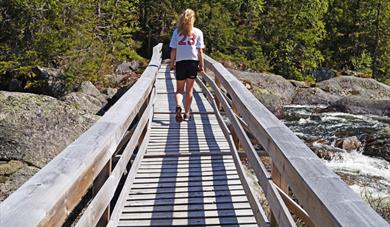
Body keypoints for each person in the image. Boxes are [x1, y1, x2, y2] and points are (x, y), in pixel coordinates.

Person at [169, 9, 205, 123]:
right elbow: (200, 52)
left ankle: (179, 105)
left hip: (180, 63)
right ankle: (187, 113)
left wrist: (171, 64)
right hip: (192, 63)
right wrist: (202, 66)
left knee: (179, 90)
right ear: (193, 19)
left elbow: (173, 50)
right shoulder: (198, 32)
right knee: (189, 91)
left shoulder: (177, 32)